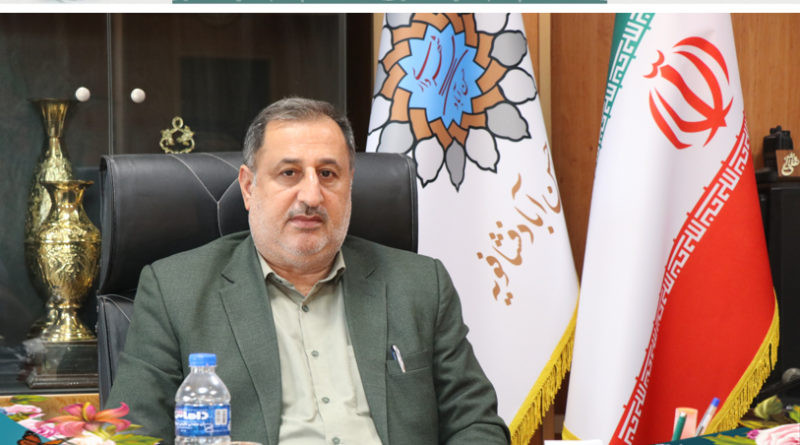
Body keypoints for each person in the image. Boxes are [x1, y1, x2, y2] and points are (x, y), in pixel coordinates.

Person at [106, 98, 510, 445]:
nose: (312, 196)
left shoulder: (420, 285)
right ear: (248, 187)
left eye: (328, 174)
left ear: (349, 186)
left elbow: (477, 425)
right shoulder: (175, 290)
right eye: (290, 173)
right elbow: (130, 434)